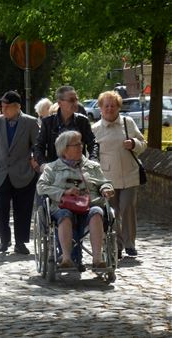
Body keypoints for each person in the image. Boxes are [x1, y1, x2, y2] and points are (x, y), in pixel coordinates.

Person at [37, 130, 114, 269]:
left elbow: (104, 182)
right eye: (76, 144)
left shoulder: (92, 166)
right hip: (62, 207)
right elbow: (41, 187)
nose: (81, 146)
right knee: (65, 215)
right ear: (65, 149)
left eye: (81, 143)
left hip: (89, 206)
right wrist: (63, 192)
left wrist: (105, 188)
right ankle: (66, 258)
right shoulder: (52, 168)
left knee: (97, 212)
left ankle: (97, 259)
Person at [92, 91, 147, 257]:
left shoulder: (127, 122)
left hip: (130, 173)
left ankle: (130, 243)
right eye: (106, 105)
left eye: (113, 105)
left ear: (118, 107)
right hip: (108, 177)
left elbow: (143, 143)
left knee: (127, 208)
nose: (109, 108)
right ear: (100, 108)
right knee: (112, 211)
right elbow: (91, 153)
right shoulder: (94, 129)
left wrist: (134, 144)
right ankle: (116, 245)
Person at [0, 91, 39, 253]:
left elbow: (37, 147)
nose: (4, 109)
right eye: (3, 106)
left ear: (17, 107)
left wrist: (35, 161)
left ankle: (20, 243)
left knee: (22, 209)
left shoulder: (30, 122)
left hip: (23, 172)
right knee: (0, 208)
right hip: (1, 172)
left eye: (7, 107)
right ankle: (4, 240)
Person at [34, 85, 99, 172]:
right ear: (60, 103)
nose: (75, 103)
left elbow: (93, 143)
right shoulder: (48, 122)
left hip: (78, 172)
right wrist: (43, 165)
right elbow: (38, 147)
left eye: (76, 99)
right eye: (71, 100)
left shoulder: (82, 121)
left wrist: (93, 161)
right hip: (55, 173)